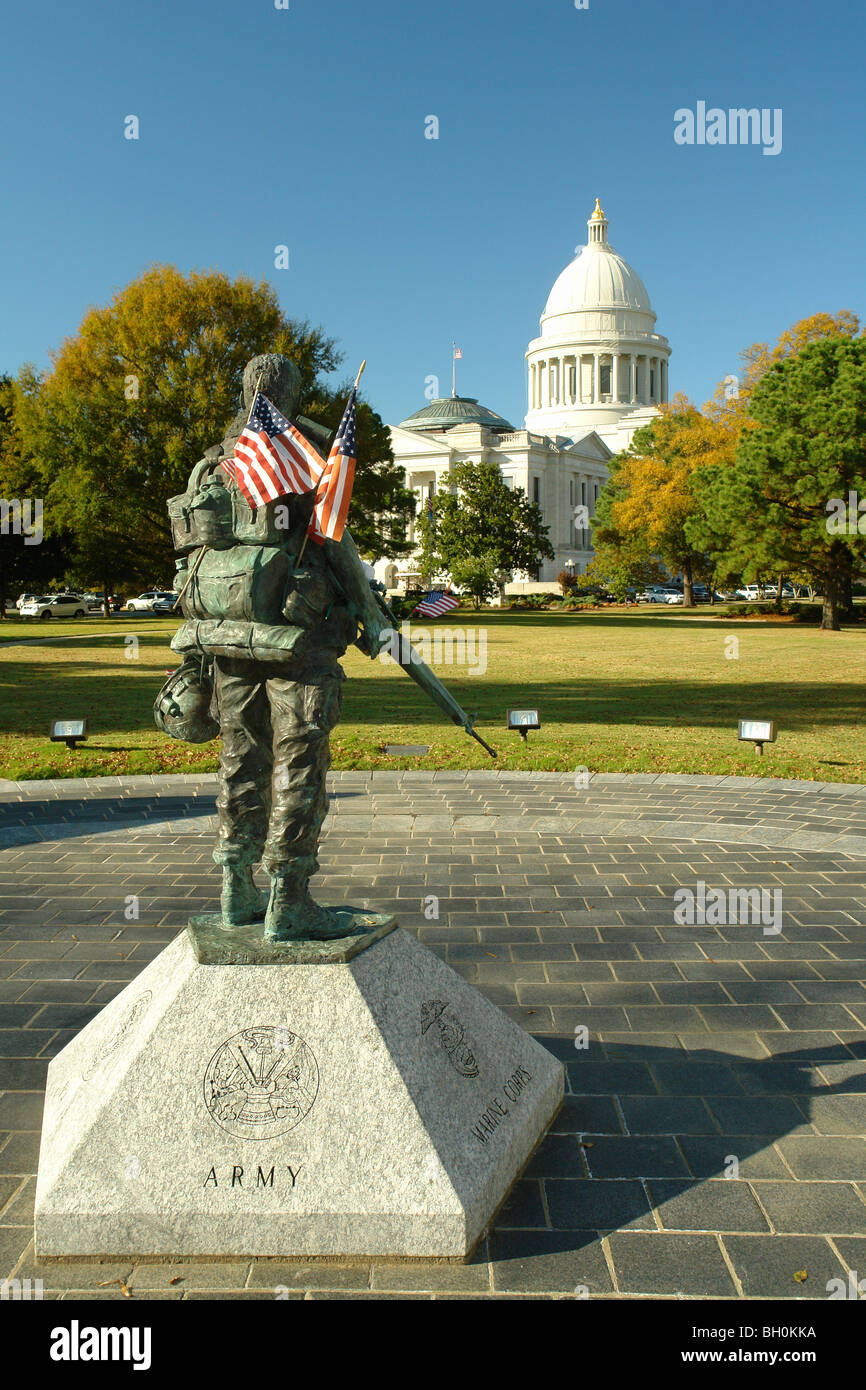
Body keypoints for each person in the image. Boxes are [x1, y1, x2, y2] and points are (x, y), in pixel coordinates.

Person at [165, 354, 390, 942]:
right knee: (299, 759)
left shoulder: (211, 464)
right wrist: (369, 611)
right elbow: (332, 536)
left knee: (239, 757)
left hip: (229, 631)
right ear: (291, 392)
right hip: (299, 631)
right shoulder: (299, 453)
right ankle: (288, 897)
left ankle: (235, 887)